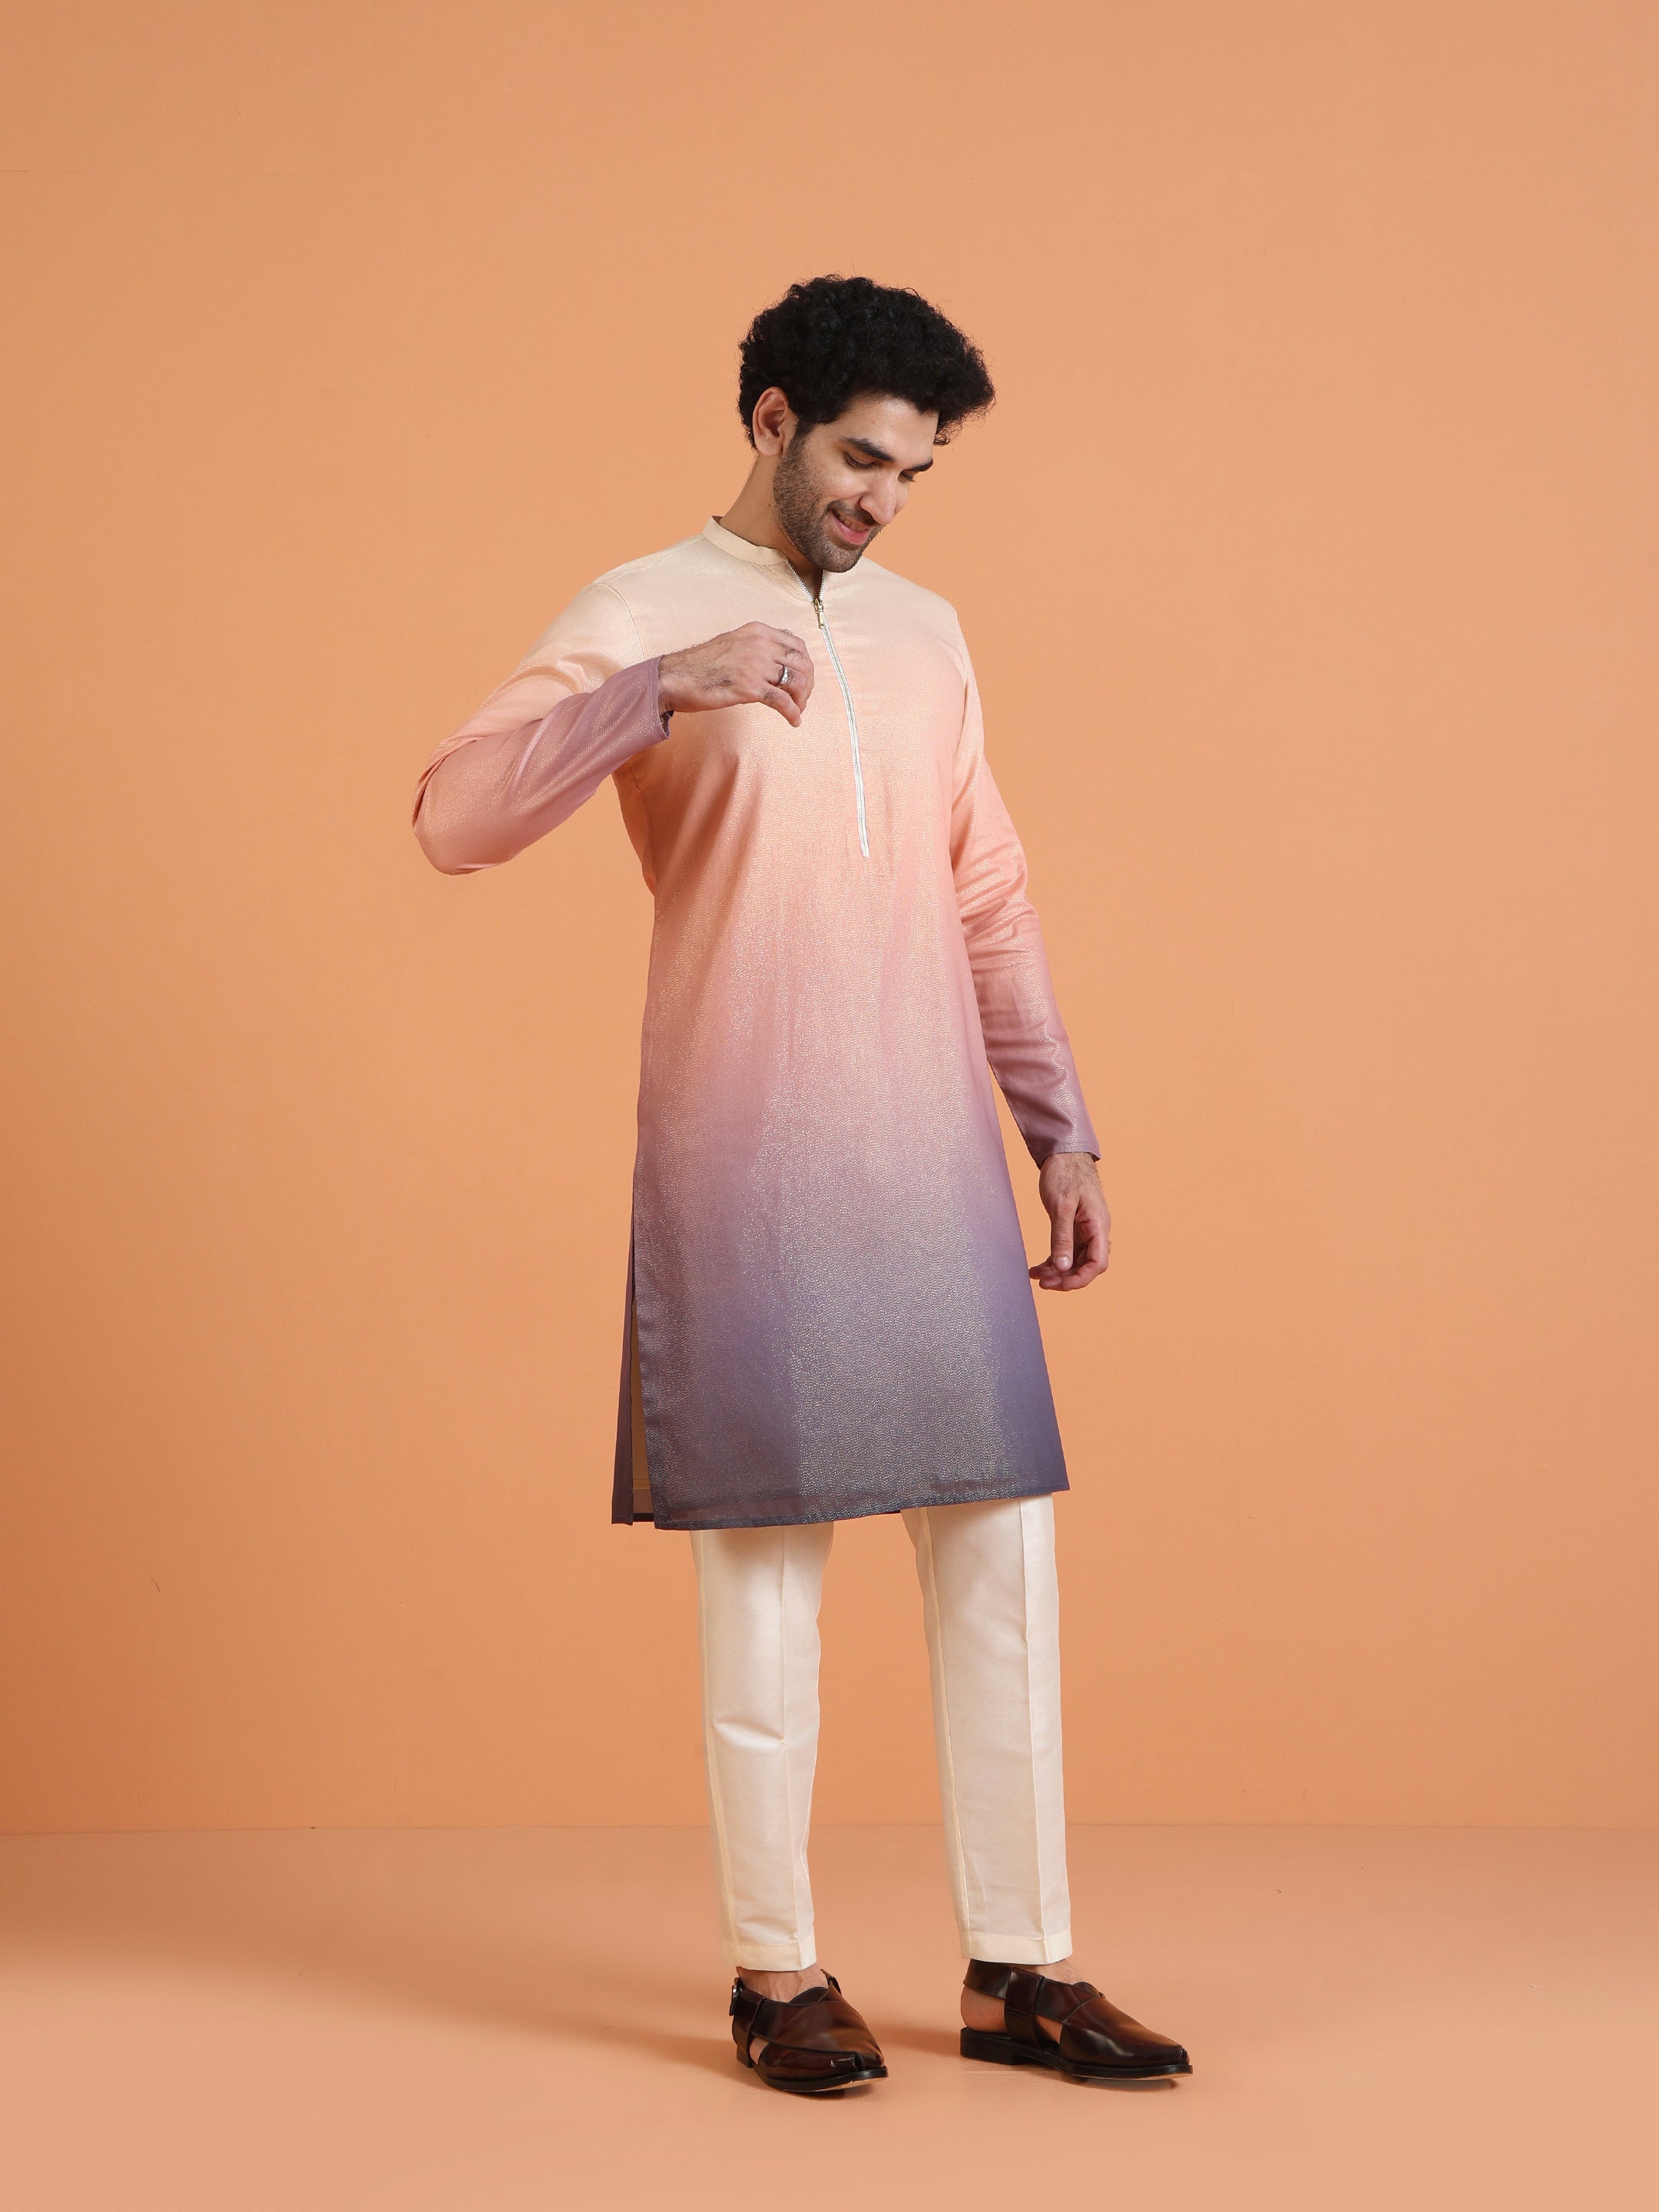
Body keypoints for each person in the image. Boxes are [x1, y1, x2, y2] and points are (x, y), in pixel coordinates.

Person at [411, 275, 1191, 2095]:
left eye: (913, 473)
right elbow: (454, 817)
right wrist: (655, 690)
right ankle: (780, 1975)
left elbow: (986, 890)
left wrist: (1059, 1127)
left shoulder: (928, 632)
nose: (883, 501)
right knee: (766, 1579)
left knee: (1000, 1558)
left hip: (930, 1161)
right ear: (772, 421)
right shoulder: (643, 608)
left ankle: (1022, 1968)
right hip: (749, 1157)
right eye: (859, 459)